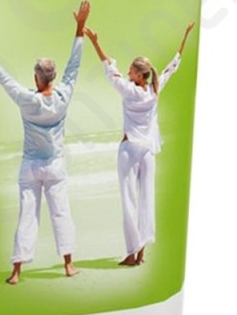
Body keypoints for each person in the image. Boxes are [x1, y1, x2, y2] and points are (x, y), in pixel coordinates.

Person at [0, 0, 90, 284]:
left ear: (36, 77)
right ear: (53, 77)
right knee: (61, 213)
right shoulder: (63, 96)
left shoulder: (26, 99)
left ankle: (16, 272)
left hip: (30, 166)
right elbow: (74, 67)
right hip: (55, 165)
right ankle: (69, 265)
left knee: (27, 217)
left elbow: (2, 77)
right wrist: (80, 27)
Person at [84, 22, 195, 266]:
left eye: (132, 70)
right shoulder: (155, 89)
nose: (127, 72)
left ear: (139, 75)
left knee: (129, 201)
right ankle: (141, 252)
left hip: (129, 150)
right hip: (147, 152)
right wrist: (185, 36)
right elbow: (172, 66)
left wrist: (94, 41)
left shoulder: (128, 90)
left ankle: (132, 254)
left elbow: (108, 68)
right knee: (146, 200)